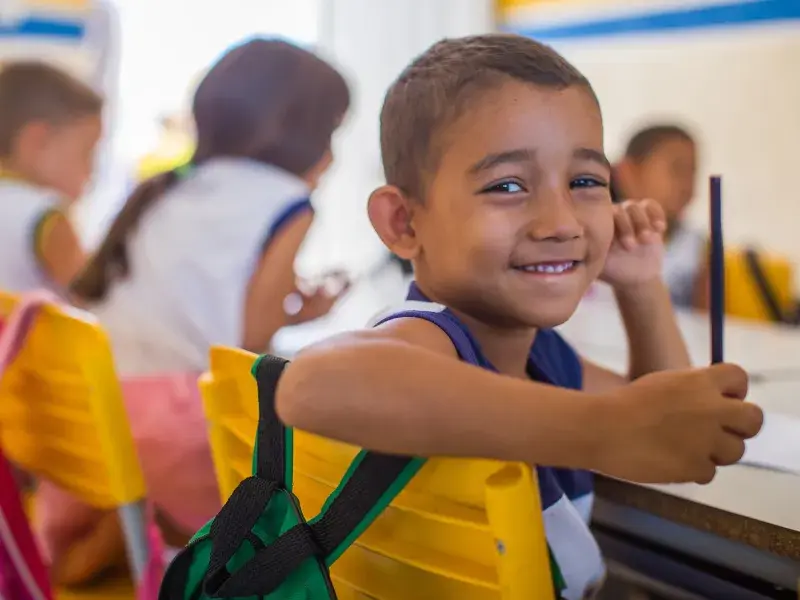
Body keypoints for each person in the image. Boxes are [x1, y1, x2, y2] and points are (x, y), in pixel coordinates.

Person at [274, 34, 763, 599]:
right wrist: (603, 429)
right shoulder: (431, 338)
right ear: (405, 223)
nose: (560, 221)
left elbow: (664, 425)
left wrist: (641, 285)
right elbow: (310, 384)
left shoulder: (539, 355)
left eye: (585, 182)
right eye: (507, 185)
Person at [36, 38, 351, 586]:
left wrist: (288, 313)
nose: (333, 156)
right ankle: (152, 534)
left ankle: (129, 533)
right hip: (185, 434)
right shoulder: (287, 201)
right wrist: (301, 316)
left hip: (97, 422)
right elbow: (250, 340)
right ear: (302, 136)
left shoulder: (168, 185)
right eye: (332, 133)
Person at [0, 62, 101, 295]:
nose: (92, 170)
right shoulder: (44, 215)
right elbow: (94, 298)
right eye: (87, 152)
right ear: (38, 142)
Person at [611, 124, 704, 309]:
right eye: (677, 169)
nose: (687, 185)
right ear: (628, 173)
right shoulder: (599, 237)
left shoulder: (697, 248)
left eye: (692, 171)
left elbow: (704, 325)